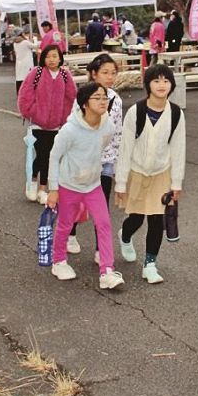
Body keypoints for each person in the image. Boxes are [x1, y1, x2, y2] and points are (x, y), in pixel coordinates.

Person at [46, 82, 124, 290]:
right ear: (84, 104)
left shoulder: (107, 126)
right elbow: (54, 157)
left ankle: (107, 271)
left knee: (104, 223)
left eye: (104, 98)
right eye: (97, 98)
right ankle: (59, 261)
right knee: (65, 224)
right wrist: (53, 189)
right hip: (68, 185)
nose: (102, 102)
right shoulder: (69, 130)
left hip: (93, 184)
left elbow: (102, 146)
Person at [115, 64, 186, 284]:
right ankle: (125, 236)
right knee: (136, 218)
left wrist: (176, 182)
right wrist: (120, 182)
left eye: (166, 81)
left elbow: (178, 149)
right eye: (156, 80)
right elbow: (125, 149)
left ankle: (150, 264)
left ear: (171, 85)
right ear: (148, 85)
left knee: (157, 221)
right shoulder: (136, 112)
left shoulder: (176, 114)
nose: (161, 85)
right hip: (136, 172)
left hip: (161, 174)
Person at [67, 54, 123, 262]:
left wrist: (116, 160)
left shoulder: (116, 100)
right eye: (105, 73)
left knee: (101, 207)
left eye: (113, 73)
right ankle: (70, 234)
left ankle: (101, 250)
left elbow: (118, 132)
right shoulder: (81, 97)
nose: (110, 77)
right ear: (94, 73)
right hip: (83, 160)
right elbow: (73, 126)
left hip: (106, 159)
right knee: (78, 200)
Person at [17, 45, 77, 204]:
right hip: (38, 123)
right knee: (42, 154)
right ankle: (33, 181)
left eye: (55, 56)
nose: (51, 59)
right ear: (43, 57)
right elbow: (25, 94)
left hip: (57, 124)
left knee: (50, 156)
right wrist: (31, 112)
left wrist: (66, 118)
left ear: (60, 58)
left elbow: (72, 97)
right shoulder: (36, 72)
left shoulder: (65, 75)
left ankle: (42, 188)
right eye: (48, 56)